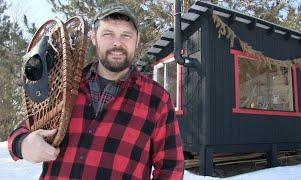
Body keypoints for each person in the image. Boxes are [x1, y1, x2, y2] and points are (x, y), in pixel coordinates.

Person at [7, 3, 184, 179]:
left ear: (137, 40)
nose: (117, 43)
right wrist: (23, 144)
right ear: (94, 38)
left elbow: (171, 169)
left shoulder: (156, 99)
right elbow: (22, 131)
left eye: (126, 35)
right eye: (108, 34)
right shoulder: (64, 85)